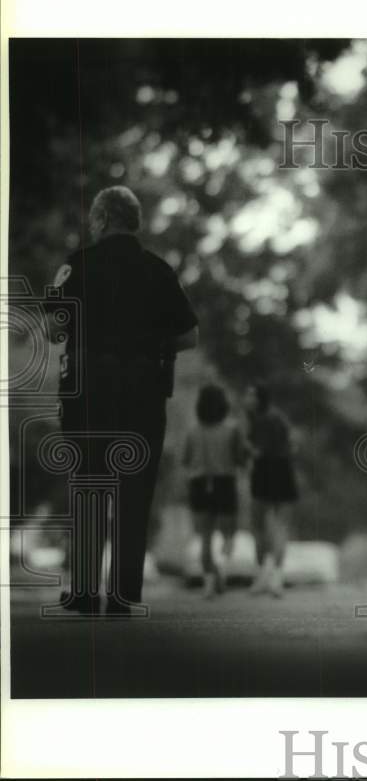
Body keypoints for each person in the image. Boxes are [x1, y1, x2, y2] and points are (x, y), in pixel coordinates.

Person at [45, 186, 198, 614]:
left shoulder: (79, 264)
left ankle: (84, 592)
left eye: (94, 218)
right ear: (134, 222)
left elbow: (54, 329)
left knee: (88, 485)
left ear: (102, 219)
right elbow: (190, 335)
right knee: (134, 490)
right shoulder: (159, 270)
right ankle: (123, 594)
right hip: (143, 393)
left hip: (88, 392)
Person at [183, 384, 249, 599]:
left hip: (199, 484)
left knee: (205, 537)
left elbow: (185, 460)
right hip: (224, 483)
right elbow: (240, 459)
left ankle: (209, 583)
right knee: (229, 535)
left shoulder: (193, 430)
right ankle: (221, 567)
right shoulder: (232, 429)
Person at [246, 383, 298, 598]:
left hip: (264, 471)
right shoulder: (280, 418)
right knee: (281, 525)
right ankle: (277, 576)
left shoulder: (258, 420)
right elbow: (293, 444)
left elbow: (256, 451)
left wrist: (246, 450)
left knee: (258, 526)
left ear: (259, 399)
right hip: (284, 470)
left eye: (249, 395)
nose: (246, 399)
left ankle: (261, 575)